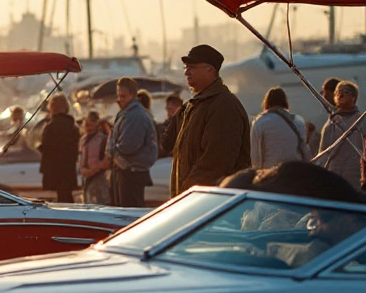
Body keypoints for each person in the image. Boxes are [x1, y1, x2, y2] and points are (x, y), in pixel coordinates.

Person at [170, 45, 250, 195]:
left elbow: (215, 163)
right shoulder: (196, 105)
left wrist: (186, 194)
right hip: (198, 201)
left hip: (213, 204)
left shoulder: (223, 107)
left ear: (210, 70)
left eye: (192, 67)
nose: (186, 72)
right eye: (186, 67)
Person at [107, 77, 159, 207]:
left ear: (132, 95)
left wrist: (112, 150)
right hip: (127, 170)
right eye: (119, 96)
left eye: (123, 96)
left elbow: (128, 146)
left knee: (128, 210)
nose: (120, 99)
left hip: (131, 171)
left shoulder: (135, 115)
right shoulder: (127, 113)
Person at [318, 80, 366, 191]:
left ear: (354, 97)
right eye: (338, 92)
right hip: (334, 178)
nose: (341, 94)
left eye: (346, 92)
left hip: (355, 179)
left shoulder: (362, 122)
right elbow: (323, 153)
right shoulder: (331, 124)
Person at [250, 87, 309, 169]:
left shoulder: (260, 122)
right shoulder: (298, 121)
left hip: (271, 174)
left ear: (266, 103)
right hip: (296, 173)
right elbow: (305, 152)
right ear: (285, 102)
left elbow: (256, 157)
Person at [39, 93, 80, 202]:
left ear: (52, 108)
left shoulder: (51, 126)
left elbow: (46, 147)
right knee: (67, 196)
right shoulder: (72, 125)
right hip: (68, 168)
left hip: (55, 169)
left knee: (61, 198)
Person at [79, 110, 111, 204]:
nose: (88, 128)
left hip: (99, 175)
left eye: (91, 125)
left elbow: (106, 161)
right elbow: (82, 157)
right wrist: (84, 170)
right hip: (86, 176)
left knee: (102, 201)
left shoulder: (102, 139)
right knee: (87, 201)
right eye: (87, 125)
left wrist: (96, 169)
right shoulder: (83, 140)